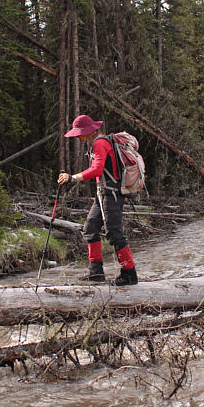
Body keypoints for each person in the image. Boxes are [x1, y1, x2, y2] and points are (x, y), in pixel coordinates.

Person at [57, 114, 138, 286]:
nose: (77, 137)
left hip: (112, 194)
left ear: (88, 132)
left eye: (79, 133)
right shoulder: (95, 143)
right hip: (103, 193)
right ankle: (96, 273)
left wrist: (72, 178)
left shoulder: (99, 143)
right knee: (90, 228)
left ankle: (129, 273)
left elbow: (97, 169)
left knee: (114, 232)